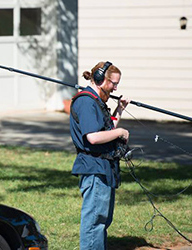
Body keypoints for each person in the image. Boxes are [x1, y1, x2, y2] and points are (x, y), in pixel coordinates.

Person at [69, 61, 130, 250]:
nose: (115, 88)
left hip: (104, 168)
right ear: (99, 79)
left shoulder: (96, 102)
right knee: (94, 222)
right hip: (94, 168)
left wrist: (119, 109)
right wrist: (120, 132)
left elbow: (106, 128)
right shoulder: (86, 102)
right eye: (113, 83)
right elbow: (93, 137)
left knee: (102, 220)